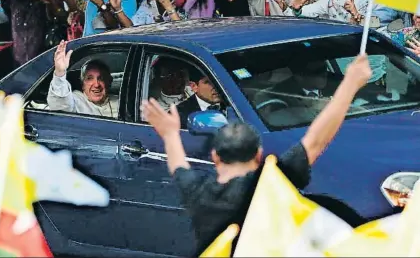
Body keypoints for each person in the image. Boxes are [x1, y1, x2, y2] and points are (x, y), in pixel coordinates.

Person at [141, 54, 372, 254]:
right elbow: (316, 141)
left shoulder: (199, 193)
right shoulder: (272, 183)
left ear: (215, 157)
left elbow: (178, 165)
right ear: (259, 154)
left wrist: (169, 134)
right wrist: (350, 85)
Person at [47, 40, 119, 118]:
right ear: (83, 84)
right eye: (89, 78)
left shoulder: (120, 102)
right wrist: (60, 72)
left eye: (101, 78)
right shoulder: (76, 100)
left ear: (109, 82)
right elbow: (60, 107)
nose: (97, 84)